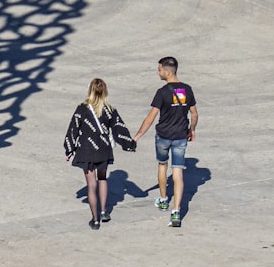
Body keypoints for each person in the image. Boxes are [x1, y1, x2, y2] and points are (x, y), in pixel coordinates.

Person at [132, 56, 199, 227]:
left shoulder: (162, 92)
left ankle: (163, 200)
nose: (158, 72)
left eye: (160, 69)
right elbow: (194, 114)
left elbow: (150, 118)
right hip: (180, 137)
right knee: (178, 172)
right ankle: (176, 211)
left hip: (163, 136)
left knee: (163, 165)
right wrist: (192, 130)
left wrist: (137, 136)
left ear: (167, 72)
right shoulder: (187, 89)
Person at [64, 78, 137, 230]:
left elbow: (73, 129)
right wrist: (129, 144)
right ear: (105, 91)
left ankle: (95, 219)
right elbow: (119, 129)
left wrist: (69, 150)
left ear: (90, 90)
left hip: (86, 151)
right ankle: (104, 211)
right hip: (103, 150)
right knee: (102, 178)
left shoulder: (82, 109)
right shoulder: (109, 109)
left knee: (91, 185)